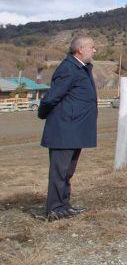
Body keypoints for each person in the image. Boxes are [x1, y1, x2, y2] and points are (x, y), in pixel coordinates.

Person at [37, 36, 98, 221]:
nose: (94, 50)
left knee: (67, 171)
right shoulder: (68, 68)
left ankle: (64, 206)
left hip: (75, 129)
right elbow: (51, 97)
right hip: (64, 128)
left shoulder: (81, 68)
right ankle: (54, 209)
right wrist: (43, 113)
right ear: (80, 49)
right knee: (59, 172)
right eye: (92, 47)